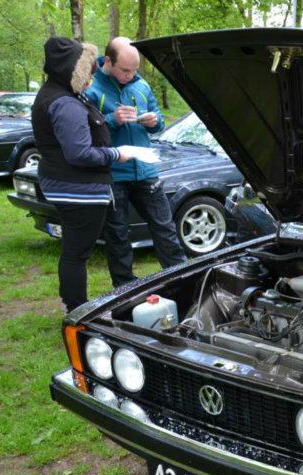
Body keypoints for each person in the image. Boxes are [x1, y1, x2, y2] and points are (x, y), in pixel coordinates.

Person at [31, 37, 132, 312]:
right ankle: (77, 309)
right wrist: (116, 154)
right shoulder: (65, 103)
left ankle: (75, 305)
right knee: (77, 254)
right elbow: (80, 153)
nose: (90, 77)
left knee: (74, 251)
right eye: (86, 71)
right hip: (77, 189)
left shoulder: (55, 93)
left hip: (67, 185)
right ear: (72, 71)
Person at [85, 37, 186, 288]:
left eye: (134, 70)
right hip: (113, 173)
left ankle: (182, 279)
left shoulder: (141, 85)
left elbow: (159, 120)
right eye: (125, 70)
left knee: (164, 227)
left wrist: (155, 121)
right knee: (118, 235)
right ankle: (125, 289)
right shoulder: (91, 87)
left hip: (145, 169)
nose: (130, 75)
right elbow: (85, 132)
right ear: (109, 61)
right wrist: (112, 119)